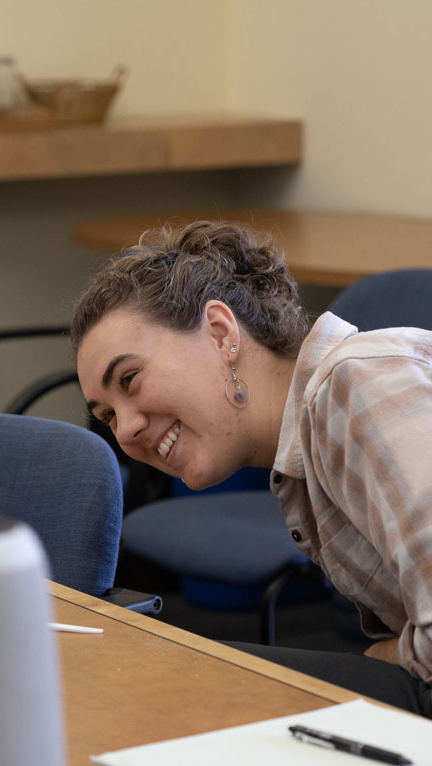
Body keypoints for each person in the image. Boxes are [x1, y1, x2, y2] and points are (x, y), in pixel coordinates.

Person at [70, 219, 432, 717]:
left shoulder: (354, 385)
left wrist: (386, 659)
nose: (126, 429)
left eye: (129, 379)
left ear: (221, 333)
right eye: (107, 415)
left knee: (178, 689)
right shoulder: (302, 447)